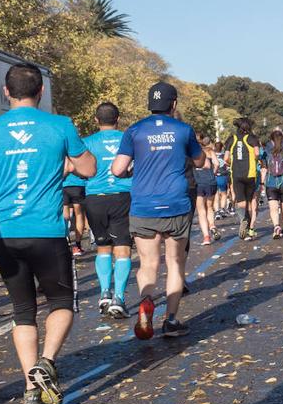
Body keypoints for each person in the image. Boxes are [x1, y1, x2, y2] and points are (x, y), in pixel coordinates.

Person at [0, 63, 95, 404]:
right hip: (47, 232)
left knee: (23, 312)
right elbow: (89, 169)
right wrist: (66, 162)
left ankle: (31, 391)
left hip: (4, 234)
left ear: (5, 93)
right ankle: (47, 362)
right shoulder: (59, 125)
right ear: (40, 92)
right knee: (62, 304)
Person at [111, 81, 205, 338]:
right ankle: (171, 321)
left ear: (149, 104)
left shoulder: (134, 131)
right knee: (175, 263)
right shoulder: (184, 130)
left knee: (148, 263)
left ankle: (146, 301)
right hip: (176, 203)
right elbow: (200, 161)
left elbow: (117, 169)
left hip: (144, 205)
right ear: (173, 104)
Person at [82, 101, 134, 319]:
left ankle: (104, 293)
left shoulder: (87, 142)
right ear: (118, 119)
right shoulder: (128, 138)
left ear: (96, 120)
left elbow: (80, 171)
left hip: (94, 198)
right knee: (122, 248)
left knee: (103, 247)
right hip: (122, 196)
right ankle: (119, 298)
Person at [224, 117, 261, 240]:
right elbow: (256, 153)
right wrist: (255, 161)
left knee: (240, 200)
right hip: (250, 173)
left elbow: (226, 158)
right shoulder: (252, 138)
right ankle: (250, 227)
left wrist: (232, 163)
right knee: (250, 201)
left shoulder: (232, 139)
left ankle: (243, 220)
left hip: (236, 173)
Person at [260, 128, 283, 238]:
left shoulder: (266, 153)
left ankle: (276, 226)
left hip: (271, 182)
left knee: (273, 207)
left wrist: (262, 183)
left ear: (271, 140)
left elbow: (264, 169)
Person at [192, 134, 218, 246]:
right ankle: (212, 226)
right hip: (210, 181)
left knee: (201, 211)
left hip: (198, 182)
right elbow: (216, 164)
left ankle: (206, 237)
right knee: (210, 207)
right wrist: (213, 173)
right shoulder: (209, 151)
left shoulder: (191, 153)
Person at [61, 163, 88, 256]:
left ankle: (66, 242)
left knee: (64, 216)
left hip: (63, 185)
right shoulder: (78, 152)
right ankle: (78, 246)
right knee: (79, 215)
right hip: (78, 185)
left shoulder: (62, 151)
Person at [212, 141, 231, 220]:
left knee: (216, 195)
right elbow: (228, 165)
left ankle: (217, 212)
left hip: (214, 176)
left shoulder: (212, 155)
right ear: (222, 147)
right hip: (223, 176)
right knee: (223, 194)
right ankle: (223, 209)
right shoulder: (224, 155)